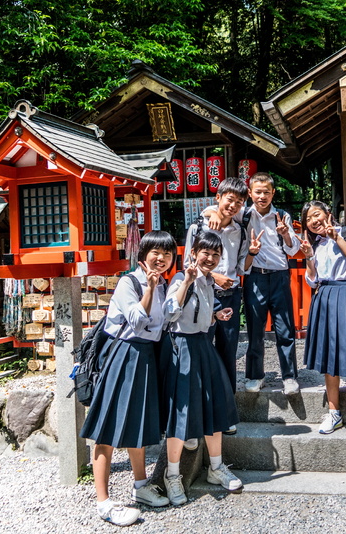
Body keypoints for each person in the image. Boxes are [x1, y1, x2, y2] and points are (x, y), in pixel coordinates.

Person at [80, 230, 176, 526]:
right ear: (143, 254)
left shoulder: (162, 285)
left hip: (146, 356)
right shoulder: (129, 282)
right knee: (108, 427)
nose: (161, 259)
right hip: (123, 356)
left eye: (167, 254)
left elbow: (165, 322)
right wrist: (148, 289)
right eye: (155, 253)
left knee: (140, 422)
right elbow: (137, 320)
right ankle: (103, 502)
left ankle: (140, 485)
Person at [159, 231, 242, 506]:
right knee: (181, 413)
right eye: (206, 252)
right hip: (183, 348)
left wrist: (216, 314)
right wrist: (187, 282)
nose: (210, 258)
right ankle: (172, 476)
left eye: (216, 255)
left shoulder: (208, 281)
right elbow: (169, 313)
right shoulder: (182, 278)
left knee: (214, 406)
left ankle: (216, 468)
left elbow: (199, 312)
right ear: (193, 253)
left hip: (203, 346)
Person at [205, 172, 300, 395]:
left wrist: (286, 235)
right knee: (255, 330)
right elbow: (219, 210)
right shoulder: (244, 215)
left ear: (273, 193)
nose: (262, 196)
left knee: (285, 329)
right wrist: (210, 211)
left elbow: (293, 250)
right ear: (250, 193)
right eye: (258, 192)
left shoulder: (282, 215)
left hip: (279, 276)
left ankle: (289, 376)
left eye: (267, 192)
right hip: (255, 276)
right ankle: (255, 375)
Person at [298, 201, 346, 438]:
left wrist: (336, 238)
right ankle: (334, 413)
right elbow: (312, 280)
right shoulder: (314, 244)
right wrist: (309, 257)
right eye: (308, 219)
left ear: (328, 214)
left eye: (316, 215)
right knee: (329, 358)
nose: (314, 221)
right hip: (324, 295)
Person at [184, 177, 249, 435]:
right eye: (229, 199)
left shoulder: (239, 231)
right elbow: (188, 266)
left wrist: (252, 255)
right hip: (202, 295)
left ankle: (226, 412)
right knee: (200, 350)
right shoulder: (198, 228)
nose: (232, 205)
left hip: (230, 296)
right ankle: (199, 411)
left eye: (239, 202)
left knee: (227, 352)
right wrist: (213, 277)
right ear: (218, 197)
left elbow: (241, 264)